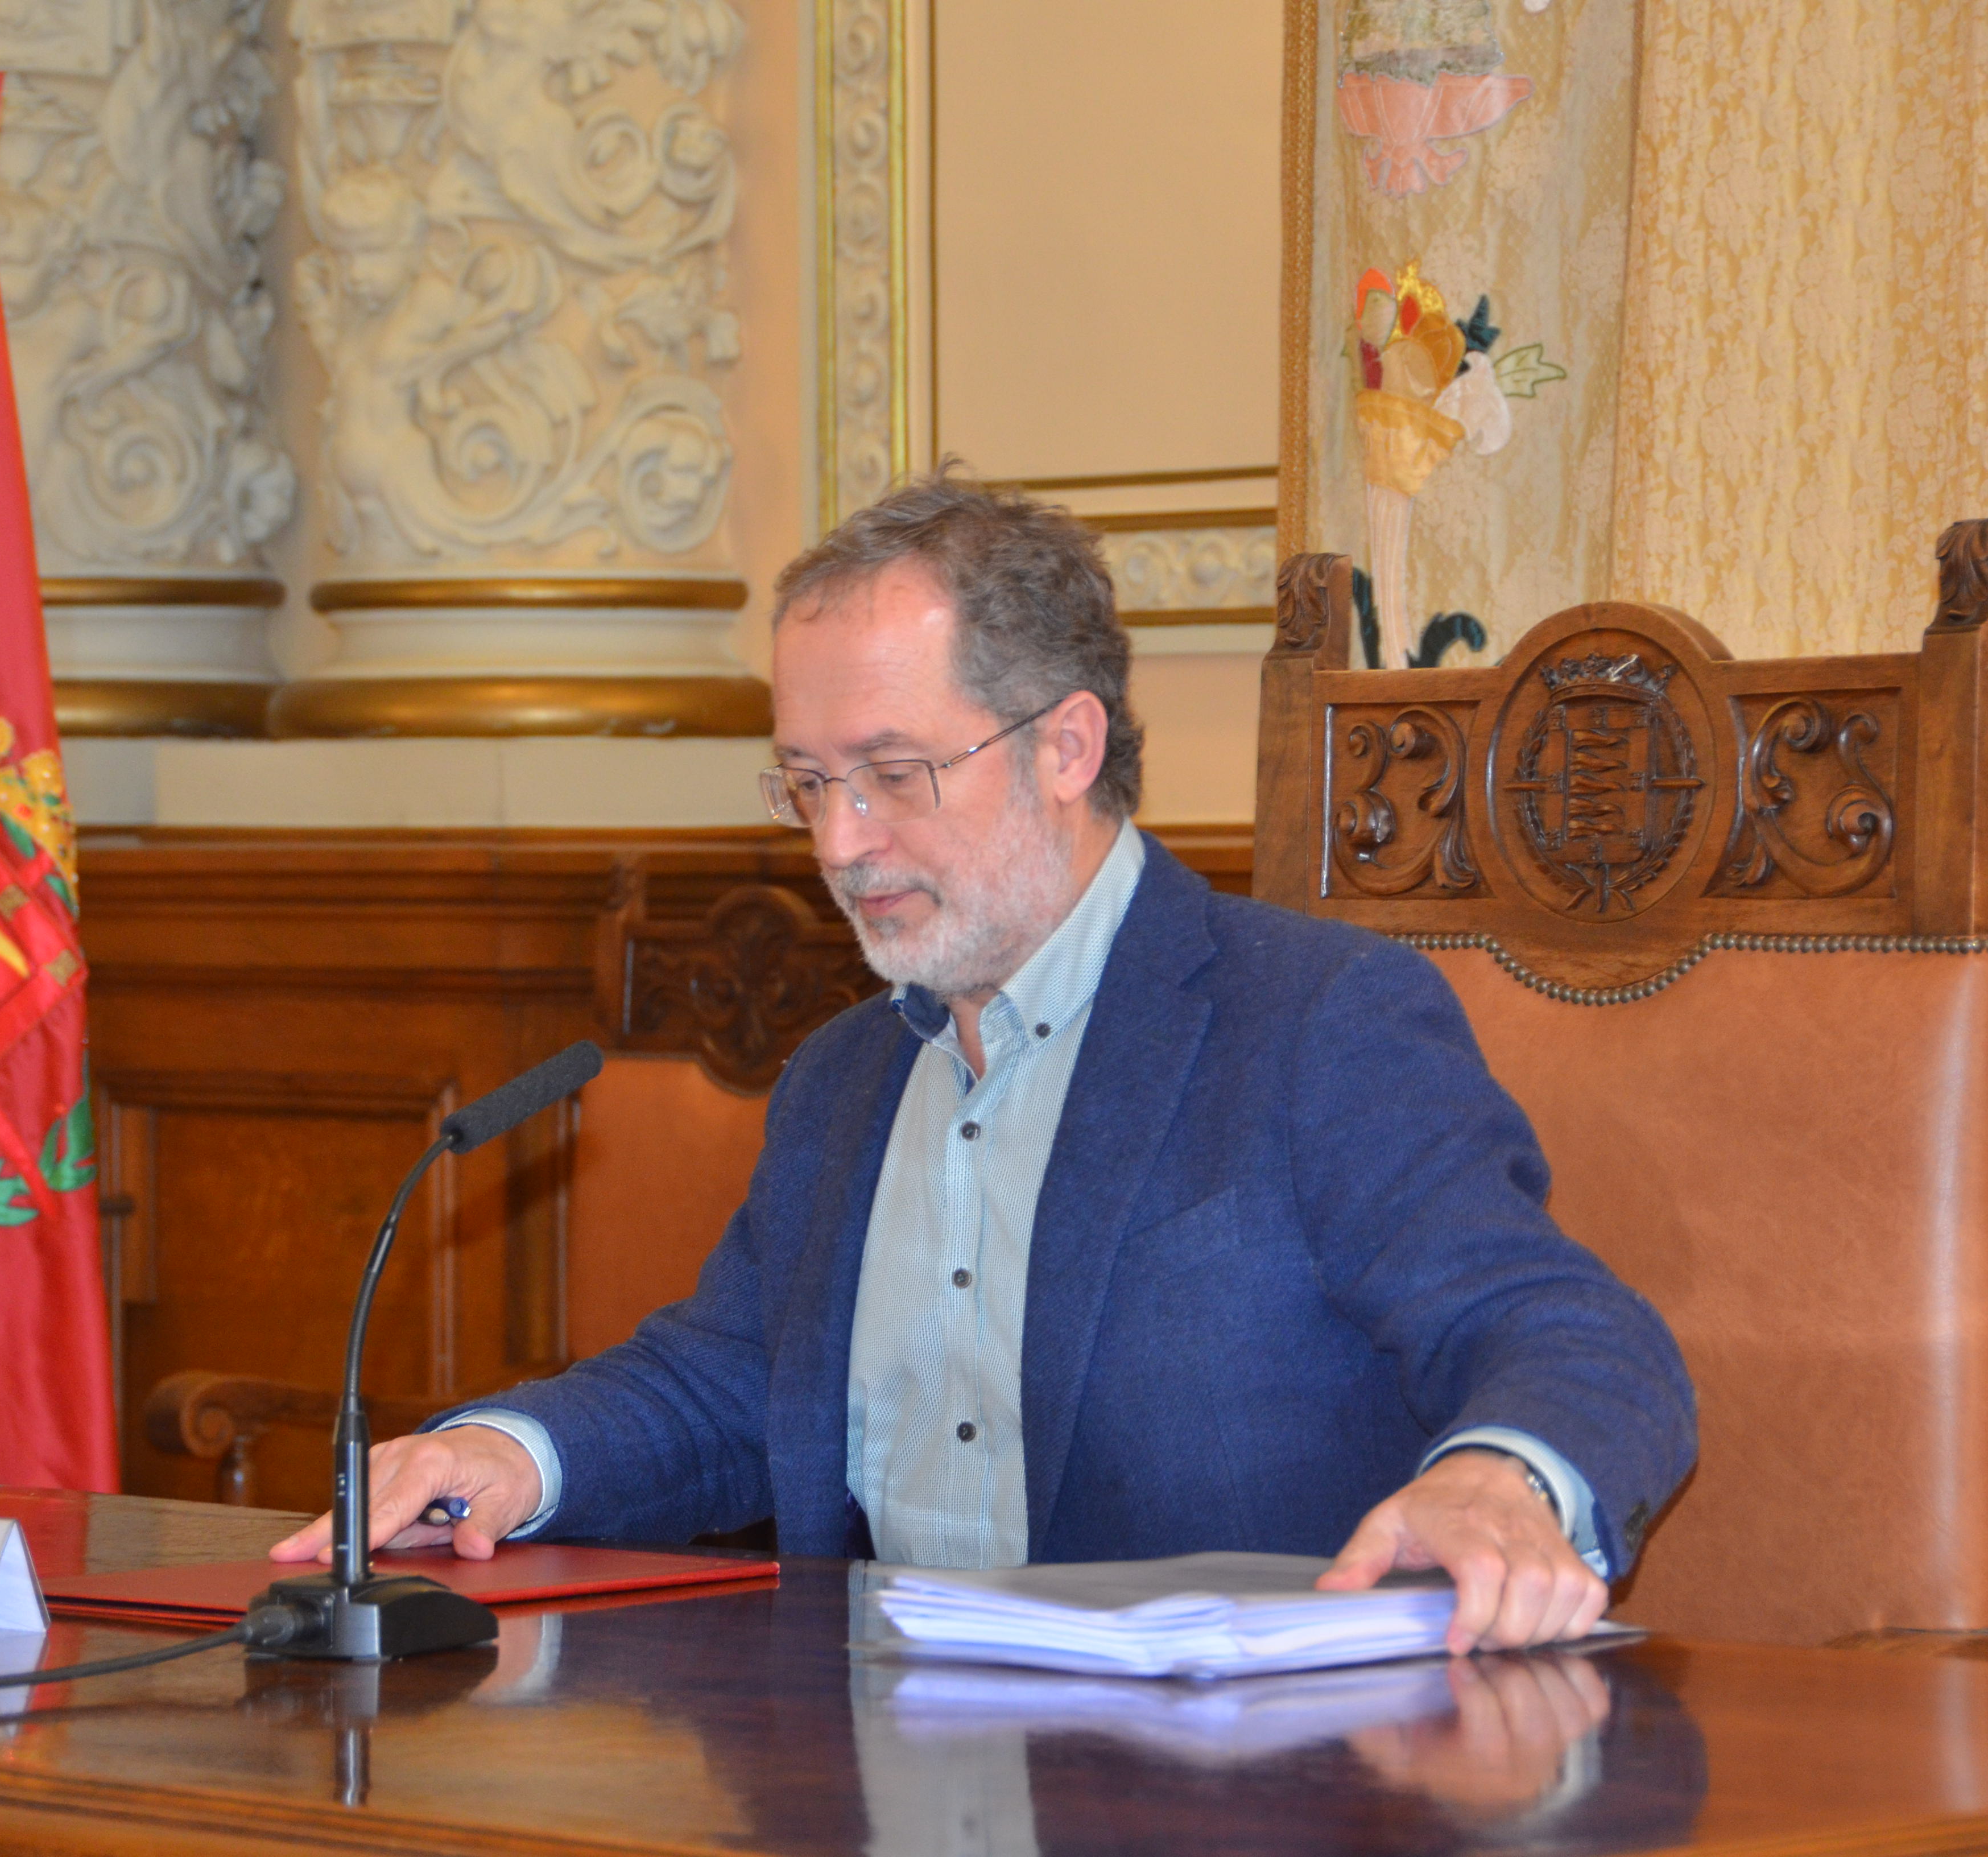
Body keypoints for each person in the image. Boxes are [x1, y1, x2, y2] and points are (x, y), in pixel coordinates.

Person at [275, 473, 1696, 1651]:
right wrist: (507, 1457)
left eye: (894, 774)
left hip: (1238, 1787)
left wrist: (1501, 1481)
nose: (841, 843)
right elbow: (734, 1384)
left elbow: (1569, 1333)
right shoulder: (843, 1077)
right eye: (808, 783)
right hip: (864, 1766)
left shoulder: (1314, 1023)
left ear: (1065, 745)